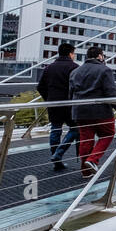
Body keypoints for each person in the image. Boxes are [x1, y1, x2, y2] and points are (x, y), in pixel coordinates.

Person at [68, 46, 116, 180]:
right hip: (100, 112)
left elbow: (70, 94)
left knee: (86, 140)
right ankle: (93, 160)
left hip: (80, 111)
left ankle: (85, 171)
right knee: (108, 133)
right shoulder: (104, 70)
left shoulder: (75, 72)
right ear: (100, 56)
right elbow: (111, 93)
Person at [37, 42, 77, 172]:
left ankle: (57, 161)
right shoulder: (74, 67)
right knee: (76, 129)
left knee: (55, 129)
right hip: (69, 104)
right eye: (74, 53)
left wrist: (48, 98)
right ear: (70, 53)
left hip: (53, 103)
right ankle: (58, 153)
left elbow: (40, 87)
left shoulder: (49, 67)